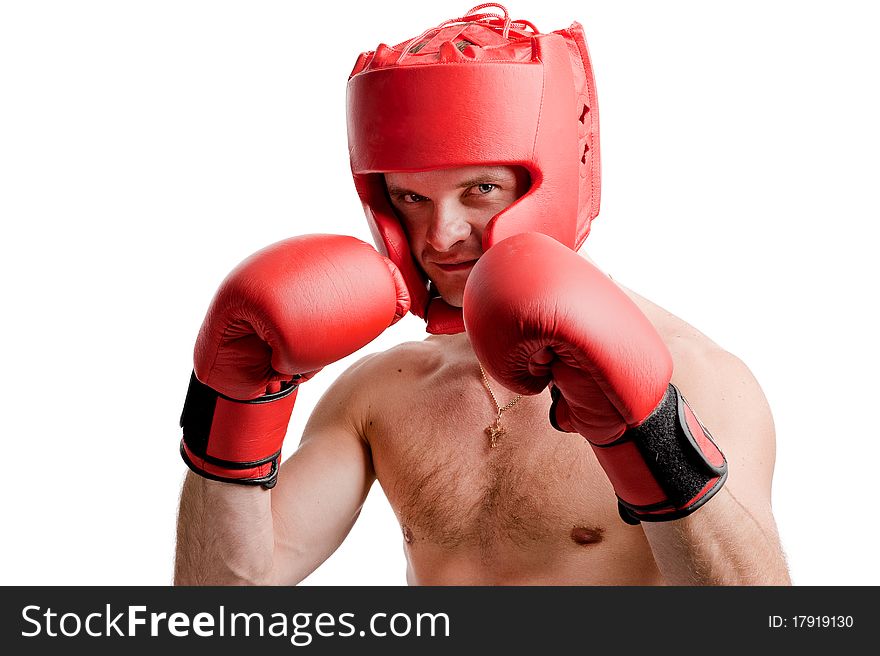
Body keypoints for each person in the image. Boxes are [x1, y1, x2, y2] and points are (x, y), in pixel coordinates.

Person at [174, 4, 790, 586]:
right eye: (411, 199)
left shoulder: (699, 378)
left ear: (551, 184)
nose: (440, 237)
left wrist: (649, 433)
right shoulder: (379, 392)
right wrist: (231, 399)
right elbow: (226, 599)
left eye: (480, 190)